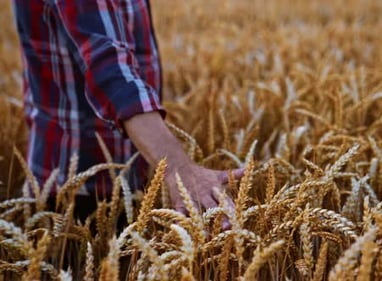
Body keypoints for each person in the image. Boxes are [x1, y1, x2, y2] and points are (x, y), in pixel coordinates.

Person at [13, 0, 243, 222]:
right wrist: (177, 167)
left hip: (124, 177)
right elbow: (111, 70)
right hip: (75, 189)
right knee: (72, 260)